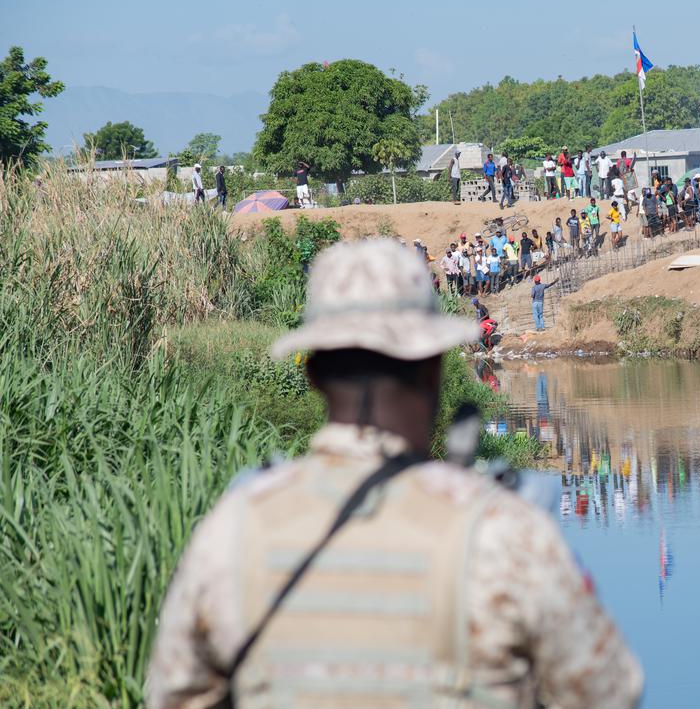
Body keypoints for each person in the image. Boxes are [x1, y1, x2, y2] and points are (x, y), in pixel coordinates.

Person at [146, 239, 642, 708]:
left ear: (313, 374)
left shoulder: (232, 530)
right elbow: (612, 693)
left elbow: (174, 695)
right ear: (431, 370)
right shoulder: (506, 535)